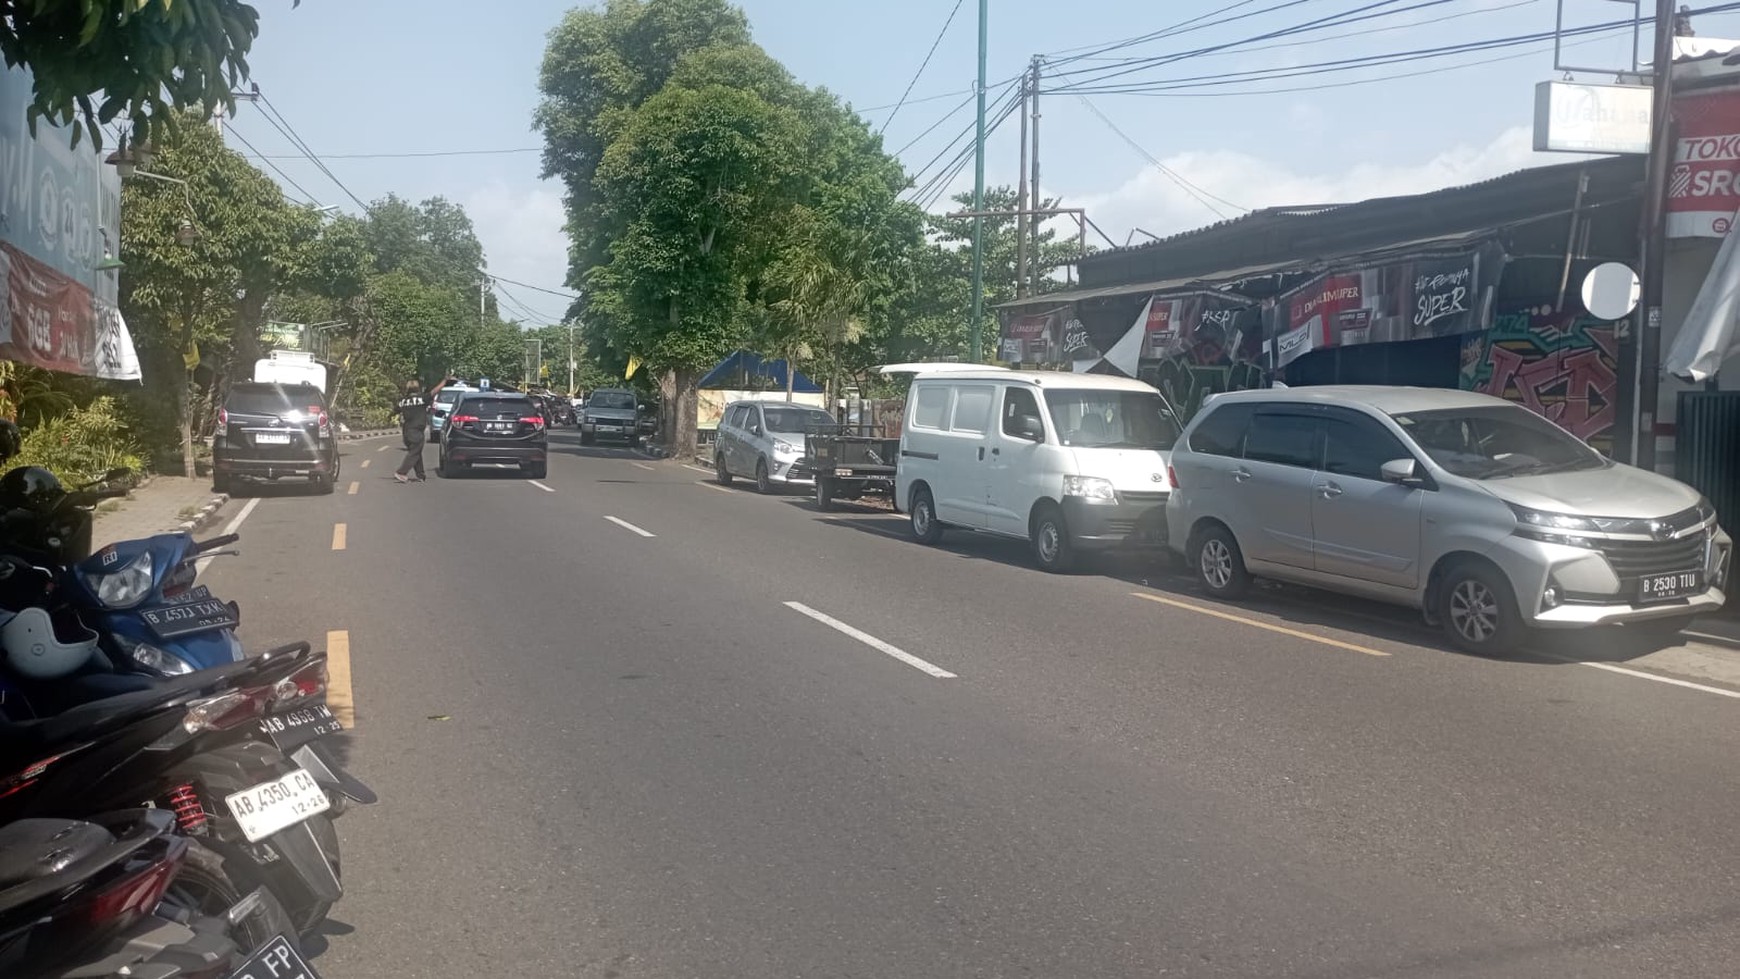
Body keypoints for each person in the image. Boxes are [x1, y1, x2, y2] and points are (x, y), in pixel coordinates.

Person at [390, 376, 452, 483]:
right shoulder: (422, 398)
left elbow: (394, 411)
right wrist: (444, 382)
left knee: (416, 452)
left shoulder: (403, 401)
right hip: (416, 431)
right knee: (414, 452)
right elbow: (434, 392)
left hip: (406, 432)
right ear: (418, 389)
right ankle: (401, 472)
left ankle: (420, 474)